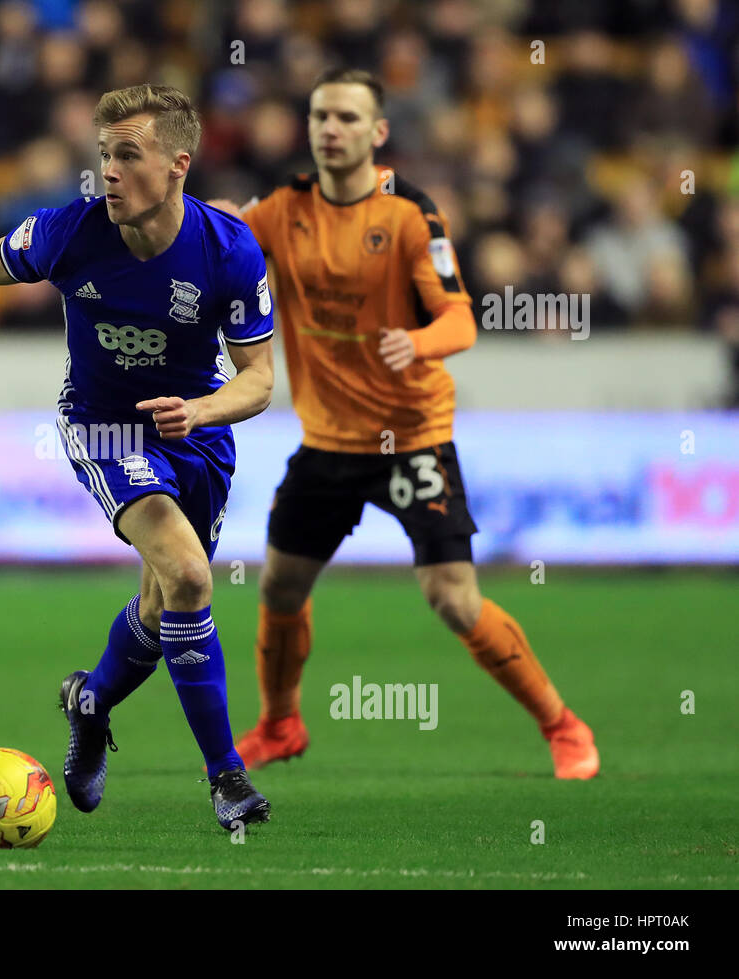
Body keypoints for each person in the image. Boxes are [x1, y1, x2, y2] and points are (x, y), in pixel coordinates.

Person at [0, 85, 277, 830]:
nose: (109, 174)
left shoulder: (230, 250)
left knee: (165, 610)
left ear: (178, 165)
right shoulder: (68, 232)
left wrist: (200, 410)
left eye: (128, 155)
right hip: (104, 428)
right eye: (103, 156)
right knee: (191, 576)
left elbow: (258, 379)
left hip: (196, 432)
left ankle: (89, 702)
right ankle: (226, 777)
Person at [209, 69, 599, 779]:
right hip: (328, 441)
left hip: (411, 434)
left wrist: (413, 342)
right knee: (280, 586)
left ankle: (562, 723)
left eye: (349, 118)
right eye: (321, 114)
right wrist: (214, 220)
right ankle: (279, 723)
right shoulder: (282, 209)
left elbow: (460, 318)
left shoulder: (411, 213)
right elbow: (225, 240)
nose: (332, 129)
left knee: (450, 597)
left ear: (378, 133)